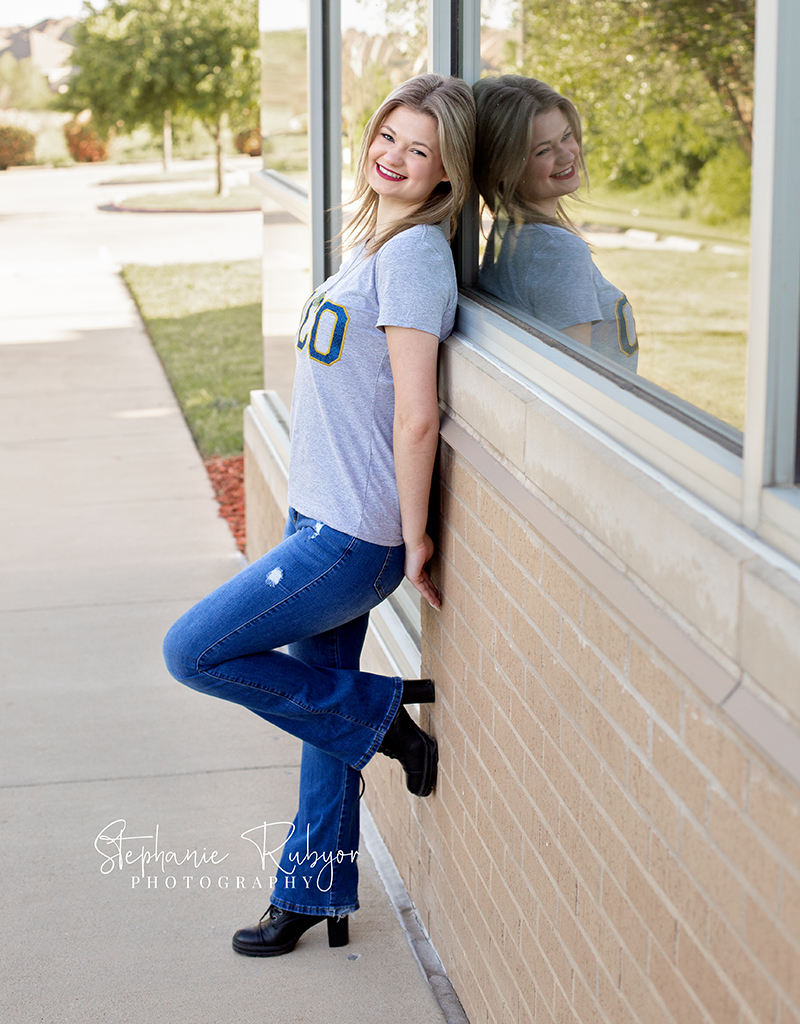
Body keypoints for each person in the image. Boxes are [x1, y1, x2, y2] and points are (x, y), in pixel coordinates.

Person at [163, 72, 476, 957]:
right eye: (390, 136)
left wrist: (415, 538)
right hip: (320, 520)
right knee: (316, 712)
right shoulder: (375, 242)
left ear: (448, 173)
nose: (395, 156)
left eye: (421, 150)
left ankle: (381, 716)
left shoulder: (415, 257)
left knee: (193, 651)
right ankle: (310, 892)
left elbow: (418, 414)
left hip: (353, 538)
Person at [474, 74, 638, 370]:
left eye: (566, 136)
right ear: (505, 169)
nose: (567, 154)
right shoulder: (556, 251)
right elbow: (572, 379)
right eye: (543, 150)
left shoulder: (508, 235)